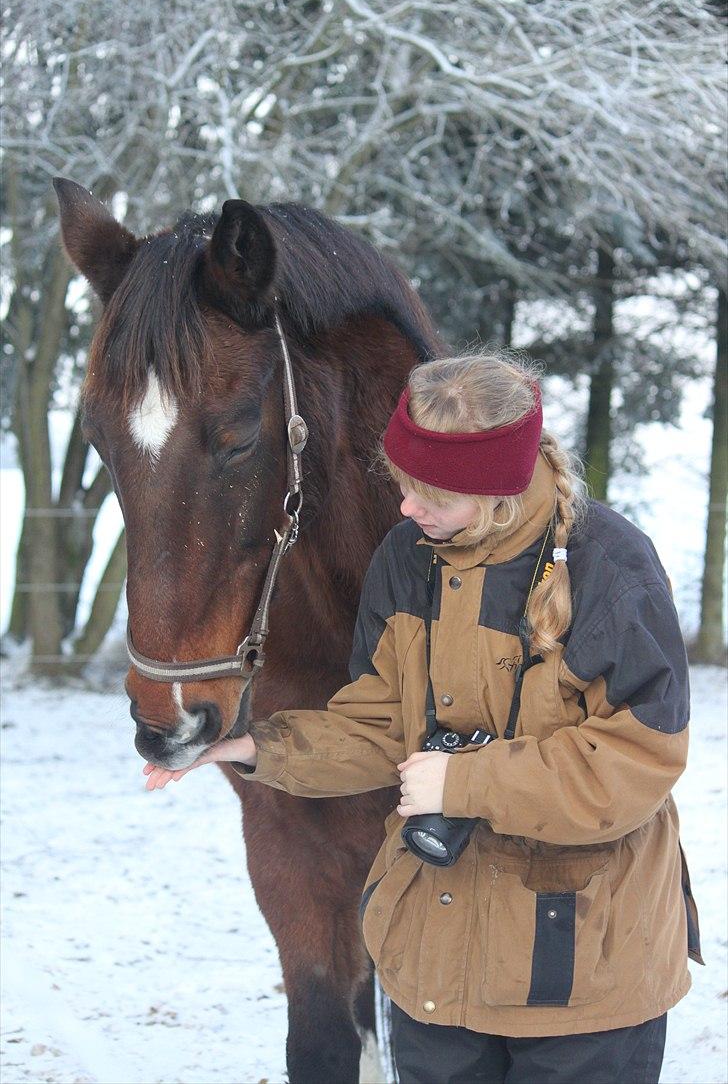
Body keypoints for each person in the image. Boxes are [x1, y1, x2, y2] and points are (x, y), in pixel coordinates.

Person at [144, 353, 701, 1084]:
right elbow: (379, 721)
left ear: (498, 488)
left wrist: (464, 784)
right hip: (435, 969)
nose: (407, 508)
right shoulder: (407, 559)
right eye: (403, 485)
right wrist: (252, 747)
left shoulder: (611, 569)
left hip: (581, 981)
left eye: (431, 492)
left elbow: (636, 763)